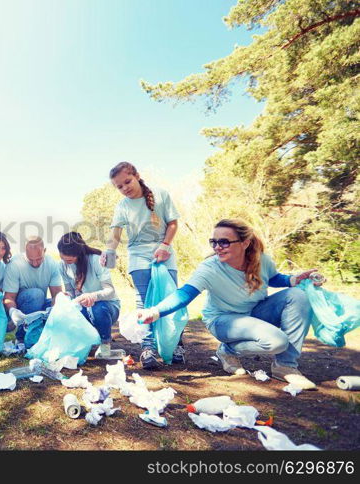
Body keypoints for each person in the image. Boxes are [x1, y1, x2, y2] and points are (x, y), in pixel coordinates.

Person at [134, 219, 322, 389]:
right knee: (277, 341)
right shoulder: (210, 268)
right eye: (214, 242)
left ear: (245, 243)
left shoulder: (261, 260)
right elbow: (185, 293)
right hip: (224, 321)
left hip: (255, 313)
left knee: (298, 296)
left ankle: (286, 366)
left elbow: (273, 278)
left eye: (224, 242)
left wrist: (294, 279)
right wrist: (155, 311)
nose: (217, 247)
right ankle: (228, 350)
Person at [101, 161, 184, 369]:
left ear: (137, 176)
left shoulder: (160, 194)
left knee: (170, 299)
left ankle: (175, 345)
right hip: (138, 254)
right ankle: (148, 348)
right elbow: (116, 233)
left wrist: (165, 245)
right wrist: (109, 250)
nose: (125, 188)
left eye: (127, 181)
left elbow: (173, 223)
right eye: (119, 186)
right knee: (143, 301)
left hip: (164, 251)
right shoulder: (122, 206)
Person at [57, 232, 121, 357]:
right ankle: (85, 342)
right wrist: (66, 296)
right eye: (63, 257)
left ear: (79, 254)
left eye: (70, 259)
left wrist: (93, 296)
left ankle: (105, 344)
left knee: (98, 308)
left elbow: (110, 290)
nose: (65, 261)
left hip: (108, 306)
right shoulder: (62, 266)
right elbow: (70, 291)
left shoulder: (96, 260)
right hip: (84, 307)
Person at [3, 236, 63, 346]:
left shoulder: (51, 264)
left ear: (44, 251)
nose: (35, 264)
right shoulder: (15, 264)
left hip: (38, 306)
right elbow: (9, 297)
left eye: (39, 259)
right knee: (37, 294)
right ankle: (21, 337)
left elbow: (57, 295)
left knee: (62, 302)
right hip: (20, 308)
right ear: (24, 252)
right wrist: (13, 312)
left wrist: (56, 306)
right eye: (31, 260)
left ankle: (43, 336)